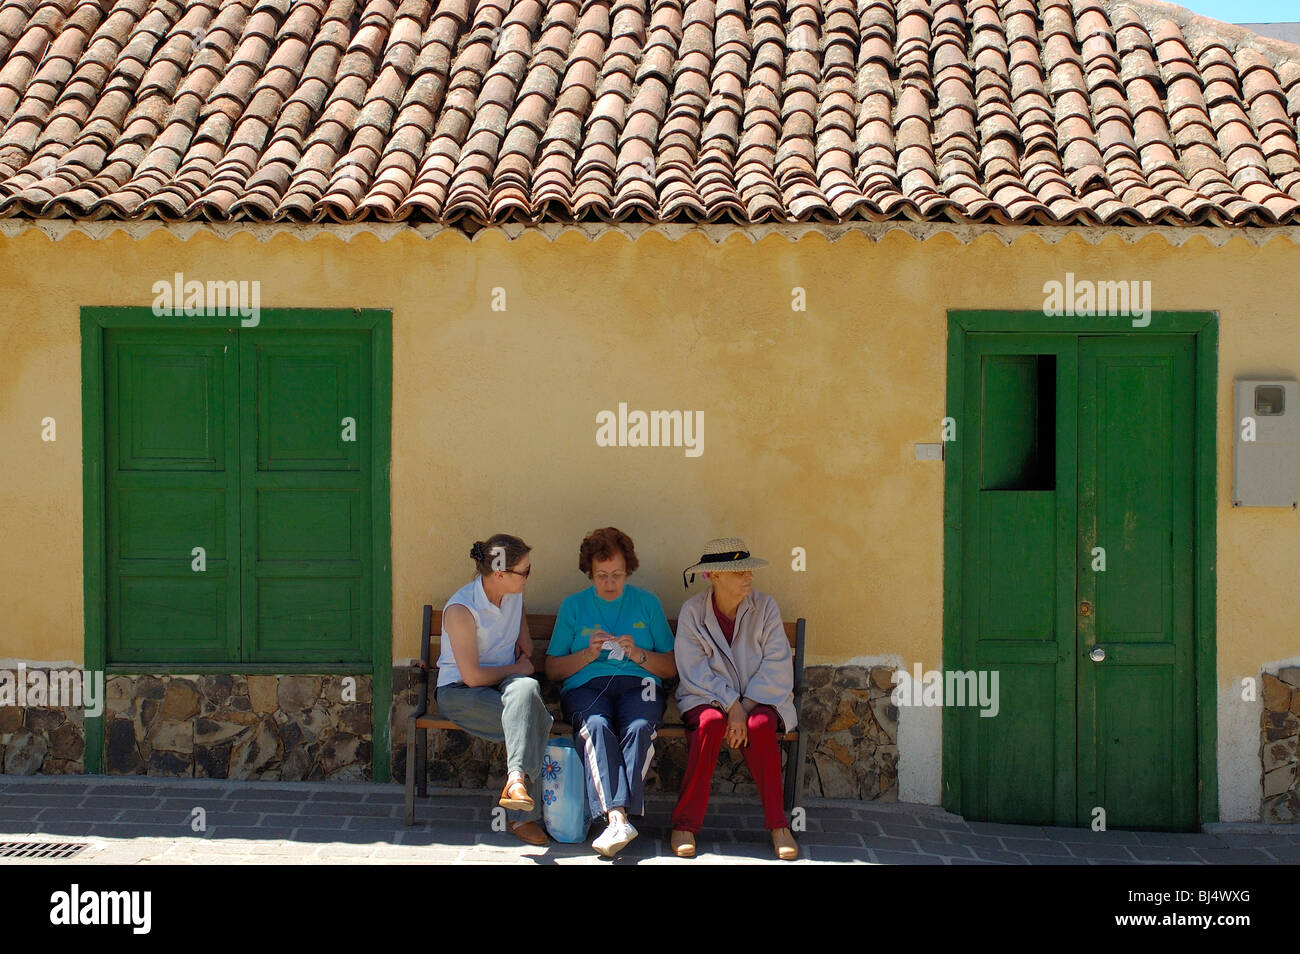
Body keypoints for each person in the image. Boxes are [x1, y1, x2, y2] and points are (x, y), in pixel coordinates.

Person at [545, 527, 677, 857]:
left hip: (641, 684)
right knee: (596, 727)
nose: (609, 583)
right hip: (586, 685)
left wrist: (639, 655)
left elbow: (672, 666)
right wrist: (587, 655)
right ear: (589, 573)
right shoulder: (573, 606)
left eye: (617, 574)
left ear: (628, 570)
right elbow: (552, 669)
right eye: (601, 575)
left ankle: (616, 820)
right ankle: (619, 817)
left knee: (640, 728)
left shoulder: (647, 603)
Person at [670, 537, 799, 861]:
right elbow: (694, 671)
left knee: (760, 726)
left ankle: (779, 826)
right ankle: (684, 825)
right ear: (714, 576)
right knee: (711, 724)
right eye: (739, 571)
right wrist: (730, 706)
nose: (748, 577)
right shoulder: (693, 612)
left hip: (759, 701)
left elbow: (777, 665)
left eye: (748, 570)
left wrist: (745, 708)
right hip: (708, 698)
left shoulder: (765, 607)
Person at [435, 533, 553, 846]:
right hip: (460, 693)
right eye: (524, 571)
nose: (528, 577)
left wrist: (518, 669)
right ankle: (522, 817)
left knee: (527, 689)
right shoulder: (461, 609)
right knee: (533, 718)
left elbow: (525, 648)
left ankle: (515, 781)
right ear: (500, 573)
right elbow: (472, 677)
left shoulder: (515, 597)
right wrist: (516, 669)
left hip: (503, 687)